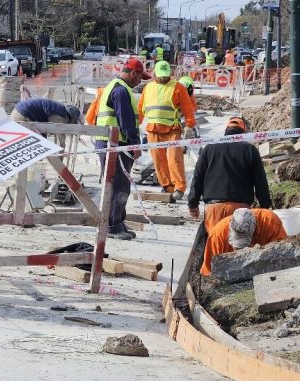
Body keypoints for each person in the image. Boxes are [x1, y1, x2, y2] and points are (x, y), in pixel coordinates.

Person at [186, 116, 273, 275]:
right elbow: (261, 182)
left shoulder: (209, 149)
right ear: (244, 132)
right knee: (238, 246)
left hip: (214, 208)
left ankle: (210, 278)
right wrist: (266, 206)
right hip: (240, 209)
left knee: (215, 244)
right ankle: (236, 280)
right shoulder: (250, 150)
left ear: (226, 131)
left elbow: (197, 177)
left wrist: (193, 203)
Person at [93, 58, 151, 240]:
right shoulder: (121, 91)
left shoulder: (116, 87)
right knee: (118, 186)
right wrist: (135, 144)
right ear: (133, 73)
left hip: (113, 143)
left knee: (121, 185)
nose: (140, 82)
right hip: (116, 145)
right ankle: (112, 225)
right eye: (140, 77)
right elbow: (126, 121)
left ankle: (117, 222)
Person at [137, 61, 196, 201]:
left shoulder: (178, 87)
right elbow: (140, 109)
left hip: (172, 130)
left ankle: (179, 187)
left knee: (174, 159)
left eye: (166, 75)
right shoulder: (148, 88)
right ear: (154, 74)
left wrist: (189, 125)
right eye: (160, 76)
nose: (163, 78)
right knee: (159, 160)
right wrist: (135, 124)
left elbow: (188, 108)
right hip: (153, 129)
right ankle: (167, 186)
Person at [200, 208, 287, 276]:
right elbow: (209, 271)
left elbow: (282, 254)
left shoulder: (270, 222)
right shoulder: (218, 234)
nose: (240, 250)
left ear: (255, 228)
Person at [10, 98, 81, 124]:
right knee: (39, 143)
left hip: (17, 110)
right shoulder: (60, 116)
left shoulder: (58, 108)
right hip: (23, 114)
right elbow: (59, 133)